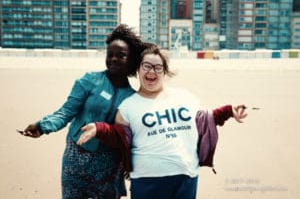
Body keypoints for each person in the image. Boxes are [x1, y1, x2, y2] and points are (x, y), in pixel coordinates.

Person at [77, 46, 247, 199]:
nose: (152, 71)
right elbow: (119, 136)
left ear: (164, 72)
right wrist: (99, 129)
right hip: (146, 181)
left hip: (185, 176)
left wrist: (228, 111)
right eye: (147, 66)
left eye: (158, 67)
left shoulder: (184, 96)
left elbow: (204, 119)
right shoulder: (128, 106)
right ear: (138, 69)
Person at [19, 24, 148, 199]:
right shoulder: (89, 80)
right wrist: (42, 126)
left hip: (108, 165)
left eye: (121, 55)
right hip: (75, 159)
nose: (113, 59)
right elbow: (66, 112)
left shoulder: (133, 98)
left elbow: (131, 135)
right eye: (109, 55)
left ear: (130, 60)